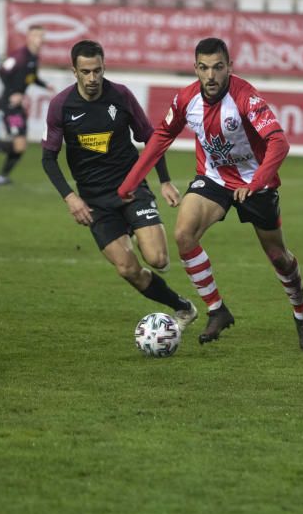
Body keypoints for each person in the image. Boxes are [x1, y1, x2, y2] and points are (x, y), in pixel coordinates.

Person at [117, 38, 303, 351]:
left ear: (229, 68)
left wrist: (256, 183)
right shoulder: (186, 99)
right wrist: (129, 184)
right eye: (203, 68)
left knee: (278, 256)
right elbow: (161, 137)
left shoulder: (246, 97)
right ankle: (217, 309)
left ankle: (301, 316)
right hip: (213, 179)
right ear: (196, 68)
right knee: (184, 234)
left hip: (256, 182)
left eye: (217, 67)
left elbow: (279, 143)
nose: (210, 75)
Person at [41, 40, 198, 329]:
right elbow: (48, 159)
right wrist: (70, 198)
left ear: (104, 67)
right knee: (127, 269)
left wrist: (164, 180)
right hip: (95, 202)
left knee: (159, 259)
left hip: (131, 189)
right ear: (74, 71)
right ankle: (182, 307)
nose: (92, 78)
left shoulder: (121, 96)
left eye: (97, 71)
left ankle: (138, 228)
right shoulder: (61, 106)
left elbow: (151, 139)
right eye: (85, 72)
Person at [0, 24, 55, 185]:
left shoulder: (34, 57)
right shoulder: (20, 56)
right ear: (29, 37)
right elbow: (1, 71)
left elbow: (31, 77)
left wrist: (45, 85)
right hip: (9, 107)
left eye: (42, 36)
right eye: (37, 35)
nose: (40, 39)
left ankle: (1, 176)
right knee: (19, 143)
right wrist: (12, 93)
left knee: (20, 146)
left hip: (17, 107)